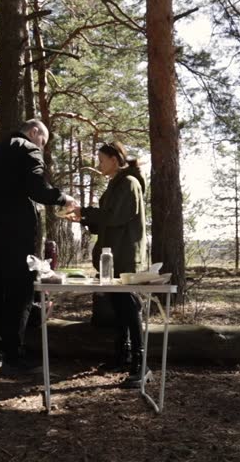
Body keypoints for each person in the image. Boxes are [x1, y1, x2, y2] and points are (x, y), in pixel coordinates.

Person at [0, 119, 79, 376]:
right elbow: (38, 189)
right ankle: (13, 357)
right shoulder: (28, 150)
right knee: (19, 293)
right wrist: (63, 197)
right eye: (42, 141)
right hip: (15, 235)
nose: (42, 148)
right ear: (34, 132)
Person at [68, 141, 150, 388]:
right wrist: (84, 218)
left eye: (102, 160)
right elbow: (108, 219)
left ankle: (140, 362)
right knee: (119, 306)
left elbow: (116, 217)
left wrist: (86, 213)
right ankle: (122, 355)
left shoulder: (128, 183)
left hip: (124, 255)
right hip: (112, 256)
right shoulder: (118, 184)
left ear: (115, 159)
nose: (99, 164)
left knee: (128, 306)